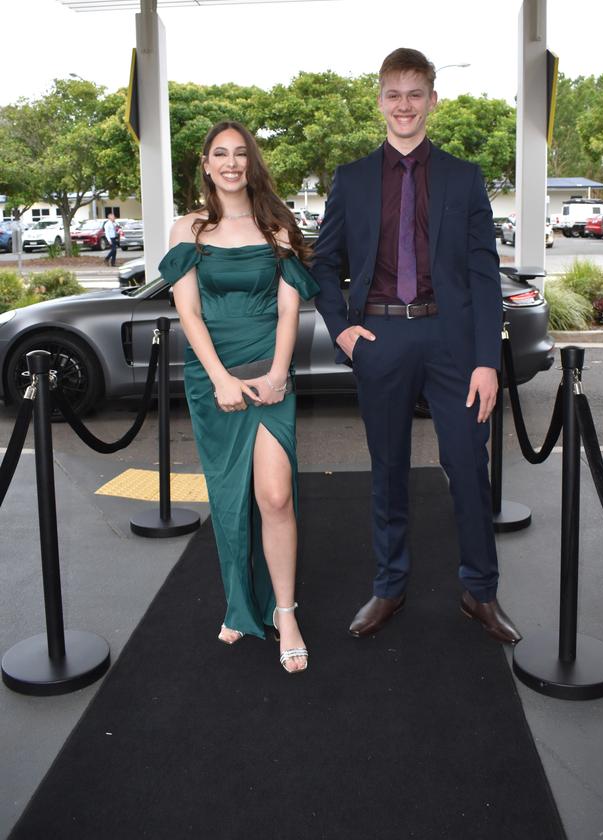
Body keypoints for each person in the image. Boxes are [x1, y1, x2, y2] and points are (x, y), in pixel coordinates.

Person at [311, 48, 521, 644]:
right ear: (379, 101)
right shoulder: (351, 180)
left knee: (467, 465)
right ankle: (389, 586)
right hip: (380, 336)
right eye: (393, 94)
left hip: (452, 343)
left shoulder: (464, 176)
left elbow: (484, 275)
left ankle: (480, 591)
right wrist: (345, 331)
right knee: (388, 470)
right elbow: (324, 264)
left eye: (415, 93)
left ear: (433, 99)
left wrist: (486, 360)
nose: (404, 105)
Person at [158, 120, 318, 673]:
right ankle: (239, 602)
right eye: (220, 154)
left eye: (240, 154)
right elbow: (188, 312)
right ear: (205, 165)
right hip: (214, 380)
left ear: (252, 162)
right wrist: (221, 379)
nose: (231, 163)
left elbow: (290, 307)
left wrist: (277, 374)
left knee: (274, 497)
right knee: (228, 499)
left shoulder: (277, 225)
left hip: (269, 375)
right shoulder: (188, 230)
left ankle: (286, 612)